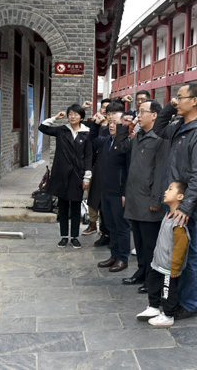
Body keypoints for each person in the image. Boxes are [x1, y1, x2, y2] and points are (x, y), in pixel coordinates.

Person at [153, 83, 197, 320]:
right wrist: (170, 107)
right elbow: (159, 129)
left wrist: (187, 206)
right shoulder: (181, 126)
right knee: (178, 253)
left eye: (180, 97)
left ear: (195, 101)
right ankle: (181, 299)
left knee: (188, 255)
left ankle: (191, 304)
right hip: (175, 201)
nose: (176, 101)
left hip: (184, 205)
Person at [116, 99, 168, 293]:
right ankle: (142, 271)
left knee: (150, 243)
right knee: (138, 240)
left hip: (149, 199)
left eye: (142, 111)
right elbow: (122, 146)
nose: (138, 115)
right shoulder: (139, 135)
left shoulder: (161, 138)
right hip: (135, 196)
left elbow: (161, 171)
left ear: (154, 115)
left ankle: (152, 279)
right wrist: (125, 126)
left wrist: (156, 199)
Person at [136, 181, 191, 327]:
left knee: (168, 291)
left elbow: (180, 246)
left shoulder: (179, 222)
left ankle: (168, 315)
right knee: (153, 284)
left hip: (169, 267)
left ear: (180, 196)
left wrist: (175, 267)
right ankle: (153, 307)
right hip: (159, 263)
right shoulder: (168, 215)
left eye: (170, 189)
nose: (165, 191)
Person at [38, 104, 92, 249]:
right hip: (61, 173)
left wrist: (87, 177)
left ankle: (74, 237)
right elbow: (42, 127)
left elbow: (88, 156)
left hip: (77, 174)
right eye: (70, 114)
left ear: (82, 117)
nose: (72, 117)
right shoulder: (62, 130)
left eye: (76, 114)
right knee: (62, 206)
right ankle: (63, 236)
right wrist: (55, 118)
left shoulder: (86, 133)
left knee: (75, 206)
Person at [90, 110, 131, 272]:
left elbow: (129, 171)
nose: (112, 125)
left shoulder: (125, 144)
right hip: (105, 191)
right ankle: (114, 255)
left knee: (121, 227)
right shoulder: (107, 141)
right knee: (111, 226)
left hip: (118, 193)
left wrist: (125, 193)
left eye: (116, 122)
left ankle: (123, 258)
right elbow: (93, 139)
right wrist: (96, 124)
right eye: (110, 122)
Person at [83, 98, 111, 236]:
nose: (105, 110)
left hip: (107, 168)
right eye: (103, 107)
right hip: (93, 165)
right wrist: (83, 109)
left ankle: (104, 226)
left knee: (104, 198)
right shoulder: (93, 124)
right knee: (92, 196)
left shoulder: (113, 127)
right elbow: (79, 122)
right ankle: (93, 223)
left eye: (108, 109)